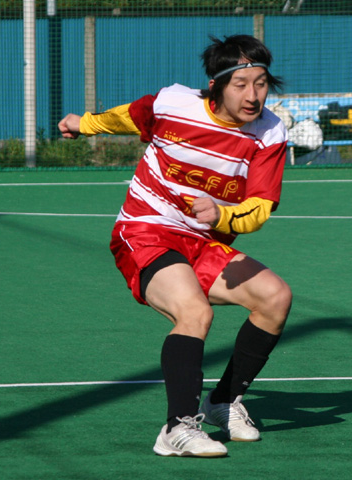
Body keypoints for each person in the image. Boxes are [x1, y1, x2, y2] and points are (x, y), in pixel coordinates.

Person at [58, 34, 292, 458]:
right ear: (216, 85)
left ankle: (223, 402)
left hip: (203, 241)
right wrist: (83, 123)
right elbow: (127, 117)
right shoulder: (174, 104)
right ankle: (177, 428)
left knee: (275, 297)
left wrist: (221, 216)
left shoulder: (269, 132)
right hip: (146, 231)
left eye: (261, 84)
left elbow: (259, 208)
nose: (253, 95)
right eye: (241, 84)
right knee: (194, 312)